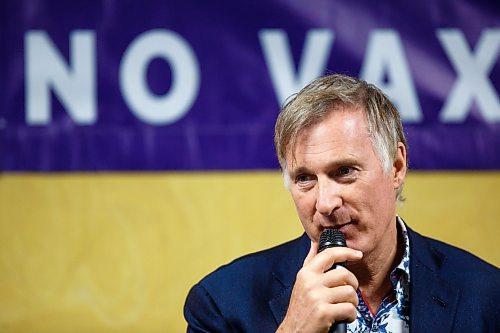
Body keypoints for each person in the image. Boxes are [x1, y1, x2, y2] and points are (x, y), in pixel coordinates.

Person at [184, 74, 499, 332]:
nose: (325, 203)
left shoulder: (488, 297)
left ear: (397, 167)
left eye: (345, 171)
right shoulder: (222, 303)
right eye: (305, 178)